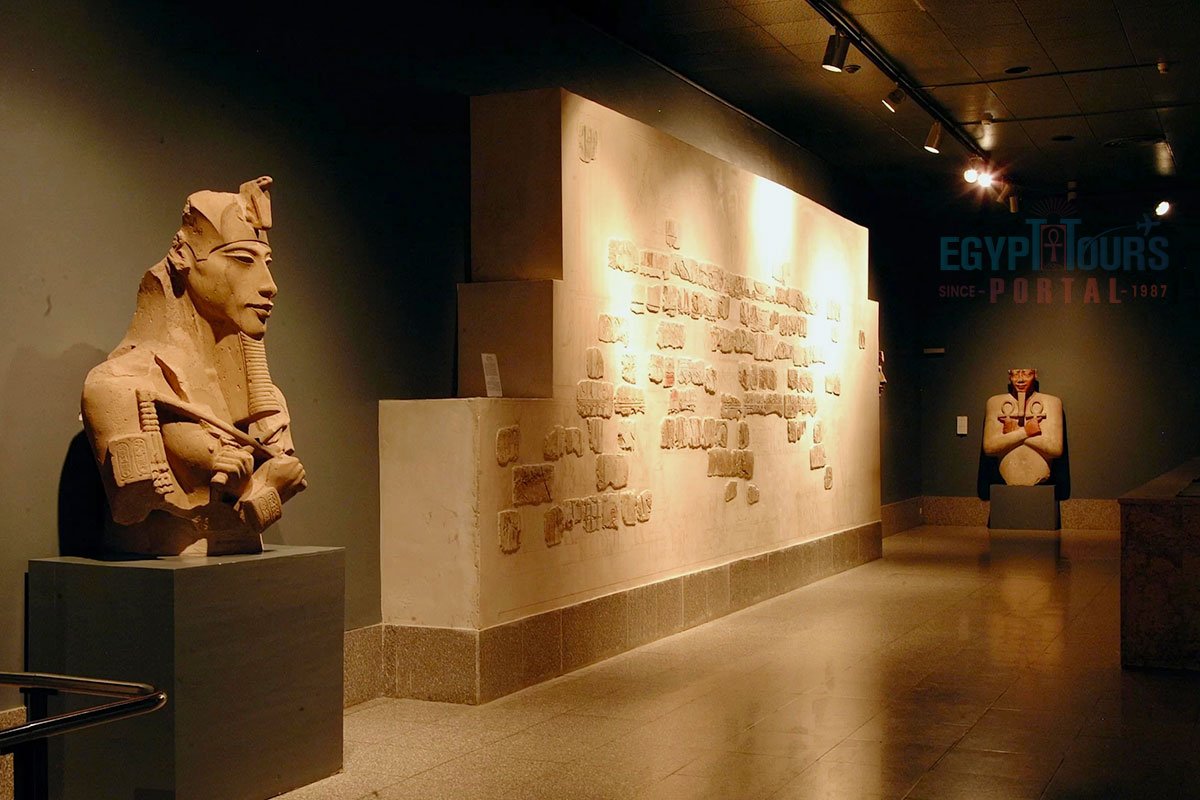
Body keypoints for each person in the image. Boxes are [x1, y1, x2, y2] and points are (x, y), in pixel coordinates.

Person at [82, 177, 306, 556]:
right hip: (165, 562)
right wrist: (258, 486)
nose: (270, 285)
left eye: (266, 264)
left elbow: (271, 492)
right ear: (184, 258)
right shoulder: (117, 386)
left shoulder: (269, 403)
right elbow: (130, 507)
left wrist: (255, 488)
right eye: (243, 260)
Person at [982, 367, 1063, 486]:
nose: (1020, 380)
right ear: (1009, 376)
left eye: (1026, 374)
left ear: (1035, 375)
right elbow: (989, 447)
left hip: (1039, 472)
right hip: (1008, 471)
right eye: (1015, 374)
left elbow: (1055, 449)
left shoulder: (1051, 402)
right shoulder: (994, 402)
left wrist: (1015, 433)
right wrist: (1025, 432)